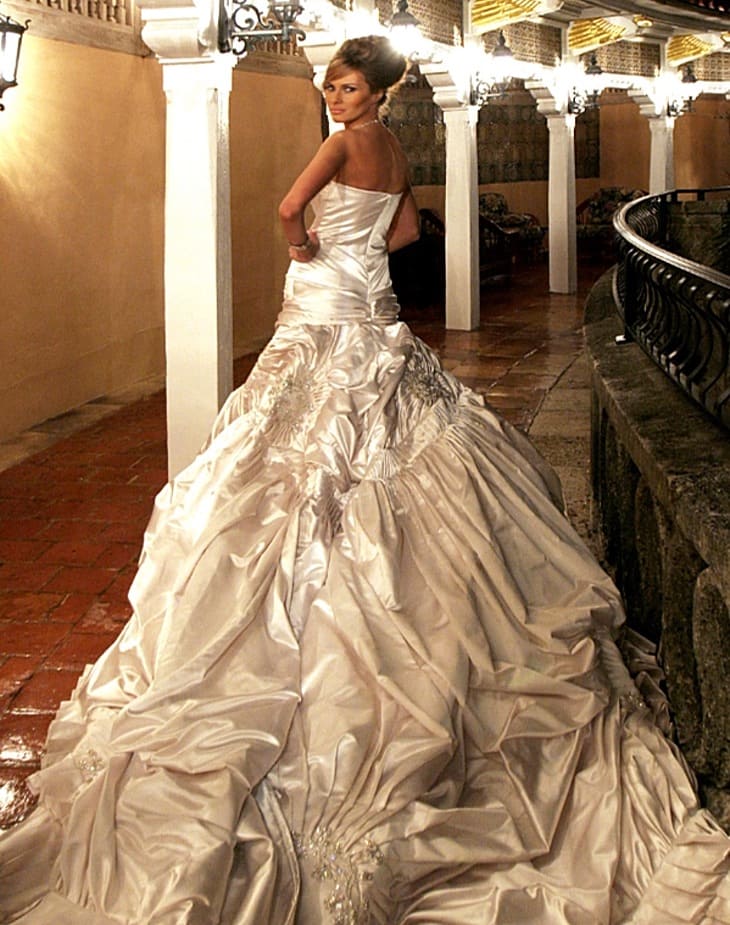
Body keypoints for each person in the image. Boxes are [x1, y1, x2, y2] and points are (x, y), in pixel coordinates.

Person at [1, 34, 729, 925]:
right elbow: (407, 232)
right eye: (330, 85)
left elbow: (286, 206)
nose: (334, 96)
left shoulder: (344, 143)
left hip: (322, 311)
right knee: (378, 454)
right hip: (372, 311)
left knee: (293, 464)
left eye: (346, 86)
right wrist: (358, 250)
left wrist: (303, 244)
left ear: (375, 91)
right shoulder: (393, 148)